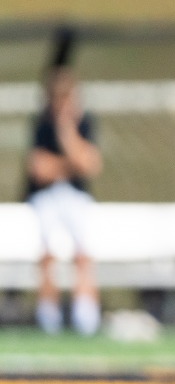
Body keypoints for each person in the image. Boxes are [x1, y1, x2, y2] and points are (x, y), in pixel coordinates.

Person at [25, 67, 103, 336]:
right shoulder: (40, 123)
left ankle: (86, 316)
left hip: (75, 197)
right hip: (46, 197)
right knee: (48, 253)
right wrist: (72, 164)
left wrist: (67, 134)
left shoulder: (85, 123)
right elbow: (38, 168)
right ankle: (49, 316)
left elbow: (90, 164)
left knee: (83, 252)